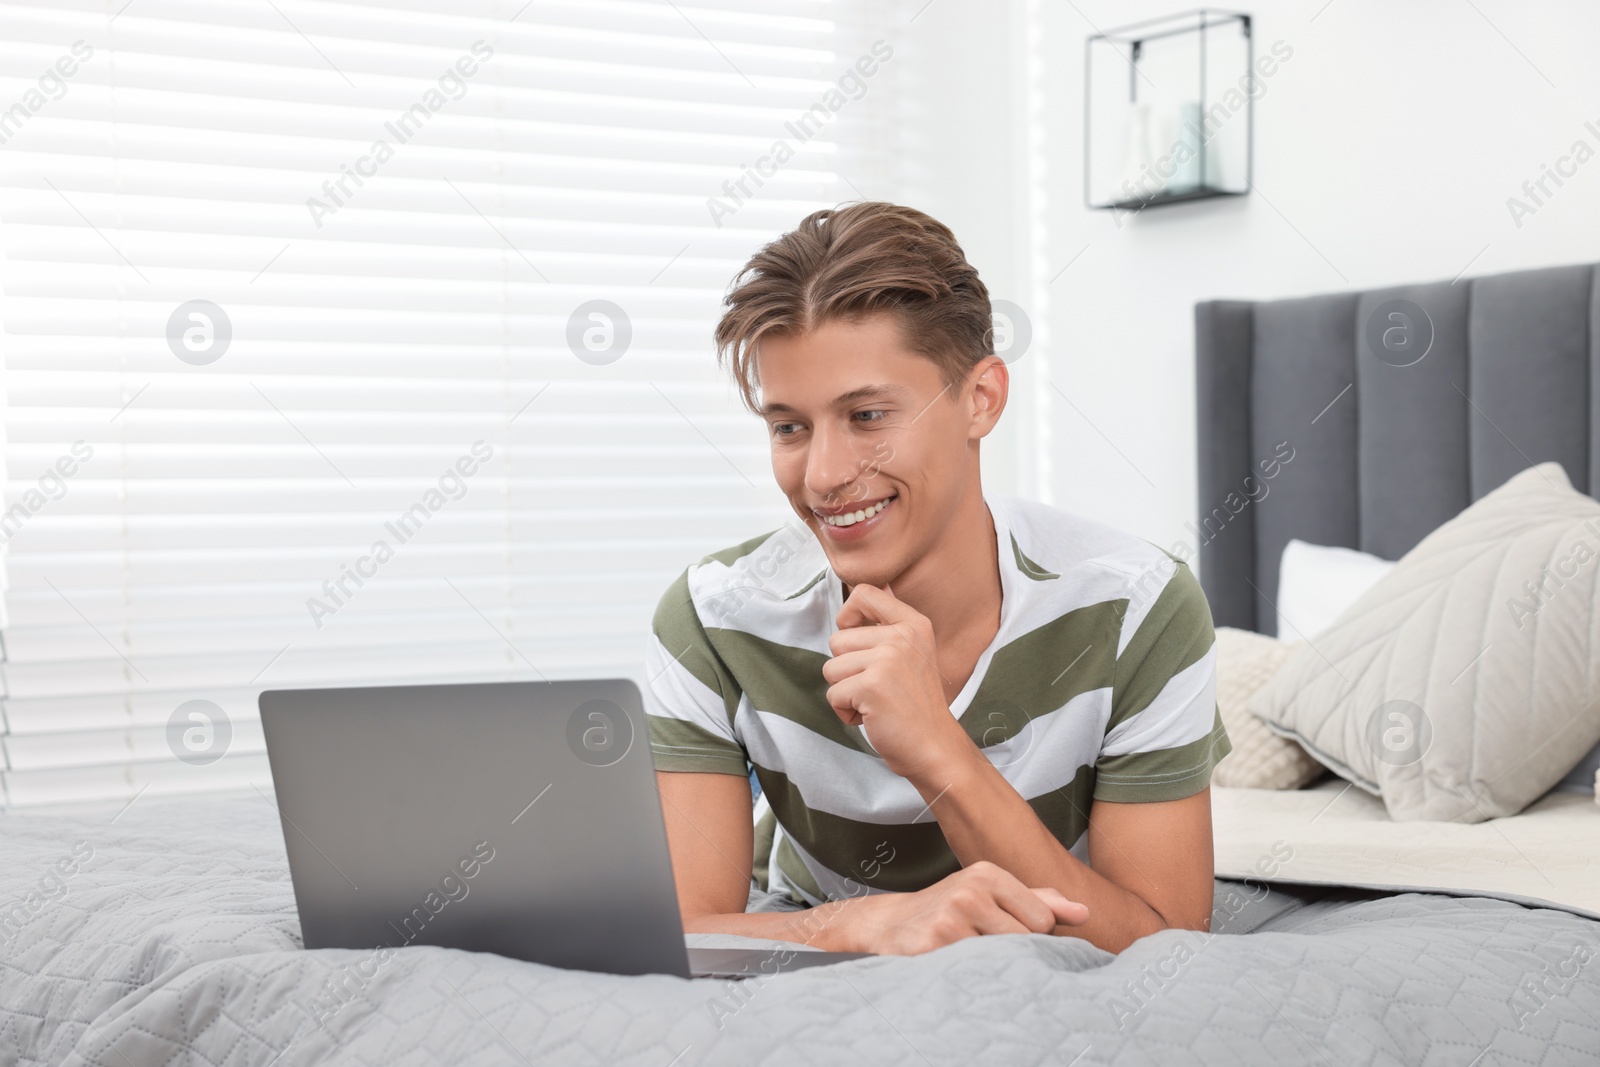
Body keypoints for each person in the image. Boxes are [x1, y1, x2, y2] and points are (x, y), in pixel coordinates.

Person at [644, 202, 1229, 956]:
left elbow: (1168, 943)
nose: (822, 476)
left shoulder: (1135, 608)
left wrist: (937, 749)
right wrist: (865, 921)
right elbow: (685, 930)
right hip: (800, 924)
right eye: (789, 426)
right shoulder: (712, 618)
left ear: (980, 399)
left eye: (867, 414)